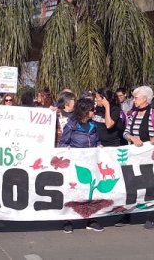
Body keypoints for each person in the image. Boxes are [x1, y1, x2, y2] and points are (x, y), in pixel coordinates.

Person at [119, 86, 154, 230]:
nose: (134, 100)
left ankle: (149, 215)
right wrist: (132, 138)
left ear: (145, 99)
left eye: (136, 97)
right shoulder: (133, 115)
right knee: (131, 184)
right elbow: (125, 132)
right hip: (135, 155)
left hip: (149, 156)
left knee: (149, 184)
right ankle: (127, 215)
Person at [58, 98, 103, 233]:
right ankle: (68, 220)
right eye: (91, 110)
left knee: (90, 190)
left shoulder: (93, 125)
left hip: (91, 163)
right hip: (75, 164)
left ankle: (91, 219)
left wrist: (102, 148)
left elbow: (97, 141)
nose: (94, 112)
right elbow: (63, 143)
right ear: (84, 111)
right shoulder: (71, 125)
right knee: (73, 191)